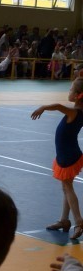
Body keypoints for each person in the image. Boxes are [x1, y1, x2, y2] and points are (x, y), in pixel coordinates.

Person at [31, 77, 83, 239]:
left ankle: (79, 222)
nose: (69, 91)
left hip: (68, 155)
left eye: (70, 89)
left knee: (68, 187)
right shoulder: (79, 111)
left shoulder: (75, 112)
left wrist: (44, 107)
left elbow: (60, 107)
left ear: (78, 95)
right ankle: (64, 220)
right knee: (66, 187)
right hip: (67, 153)